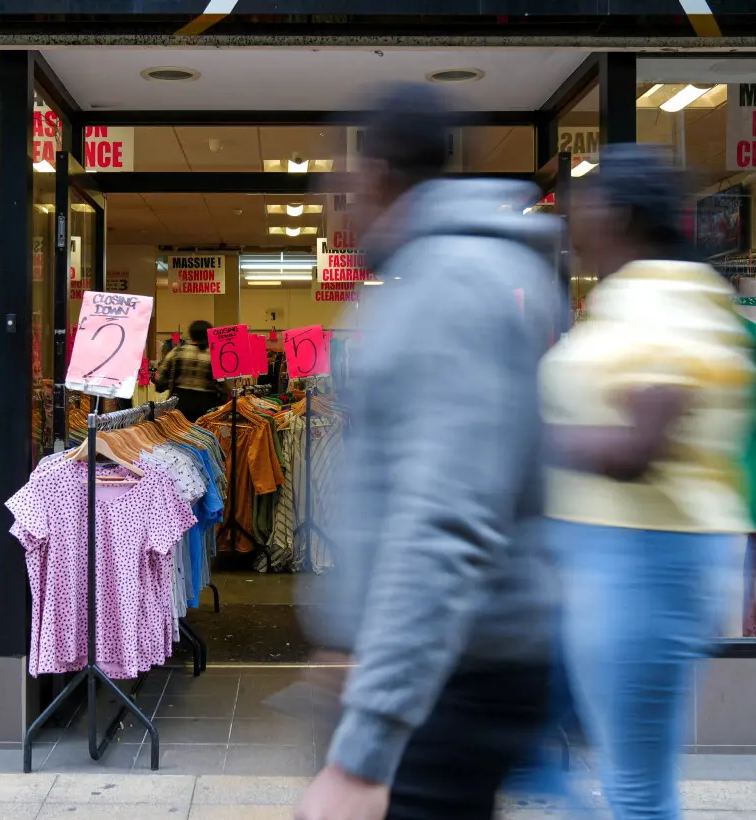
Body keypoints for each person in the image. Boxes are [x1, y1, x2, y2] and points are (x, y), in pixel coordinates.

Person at [295, 83, 563, 820]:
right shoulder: (437, 278)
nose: (336, 201)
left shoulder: (453, 285)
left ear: (376, 173)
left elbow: (445, 517)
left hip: (450, 680)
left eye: (341, 182)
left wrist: (364, 749)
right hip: (434, 670)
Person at [540, 143, 756, 819]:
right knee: (544, 744)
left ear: (620, 212)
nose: (573, 225)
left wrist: (520, 437)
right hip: (608, 555)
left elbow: (641, 445)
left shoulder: (669, 303)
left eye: (583, 207)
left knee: (636, 785)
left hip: (645, 559)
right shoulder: (635, 296)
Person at [155, 319, 224, 421]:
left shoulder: (177, 352)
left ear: (191, 334)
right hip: (208, 405)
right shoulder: (215, 355)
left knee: (181, 434)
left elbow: (160, 380)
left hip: (181, 404)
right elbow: (223, 386)